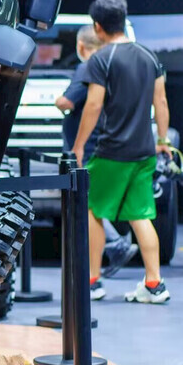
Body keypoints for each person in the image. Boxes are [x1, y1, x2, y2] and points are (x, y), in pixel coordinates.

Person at [73, 0, 172, 304]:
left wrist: (78, 146)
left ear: (98, 27)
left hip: (112, 152)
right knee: (140, 215)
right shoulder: (149, 56)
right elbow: (162, 103)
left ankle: (92, 281)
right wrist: (163, 141)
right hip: (144, 152)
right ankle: (154, 284)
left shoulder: (101, 59)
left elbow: (93, 104)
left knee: (91, 209)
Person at [55, 24, 138, 277]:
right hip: (110, 143)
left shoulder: (87, 67)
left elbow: (68, 101)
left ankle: (105, 257)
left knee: (87, 205)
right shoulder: (115, 68)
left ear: (81, 46)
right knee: (96, 203)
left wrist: (59, 102)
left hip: (86, 148)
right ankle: (109, 253)